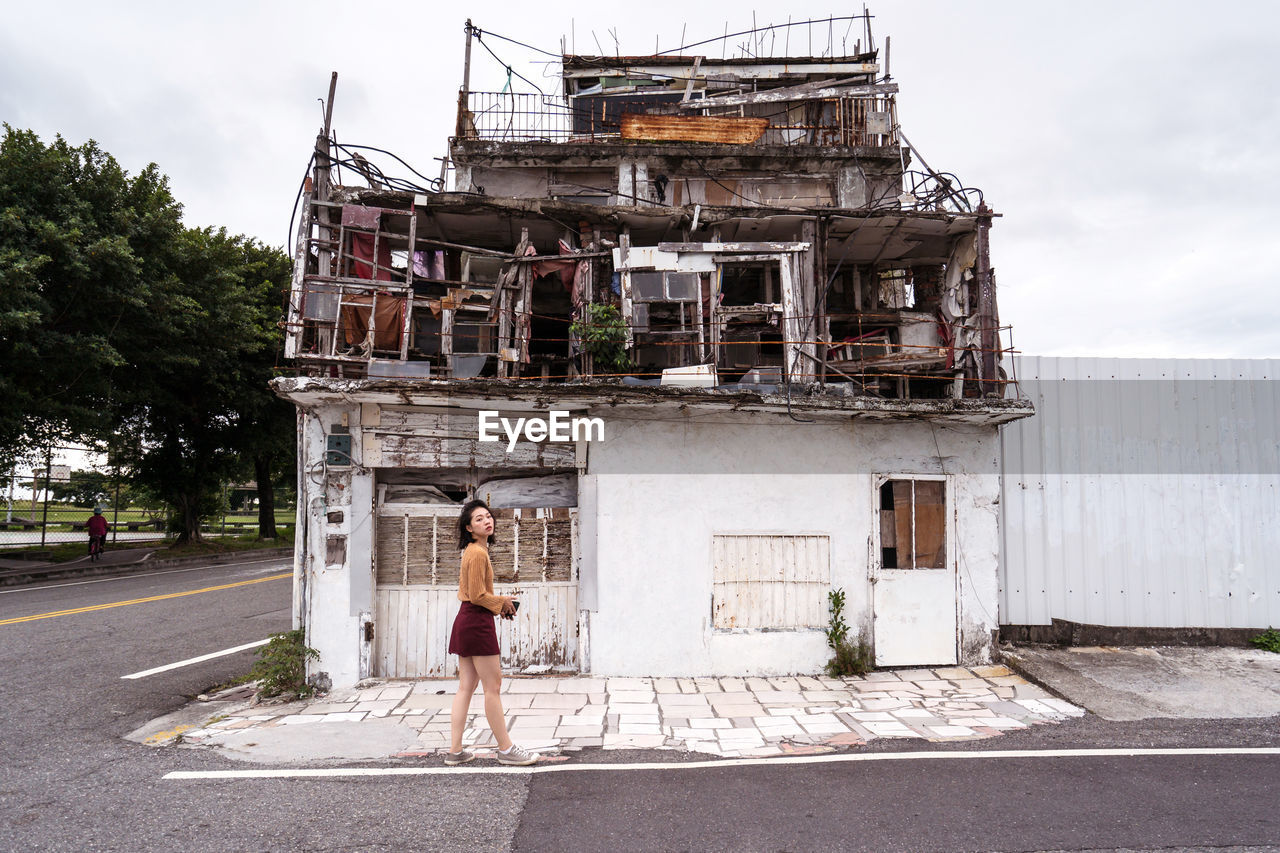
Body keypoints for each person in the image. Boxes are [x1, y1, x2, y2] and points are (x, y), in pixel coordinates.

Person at [444, 499, 539, 767]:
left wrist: (500, 603)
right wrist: (502, 603)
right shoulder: (477, 553)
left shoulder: (475, 551)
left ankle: (455, 751)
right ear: (469, 528)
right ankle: (506, 748)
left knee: (466, 687)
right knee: (492, 688)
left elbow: (478, 595)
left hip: (468, 620)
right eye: (479, 519)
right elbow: (477, 596)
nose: (487, 521)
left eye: (488, 516)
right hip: (475, 622)